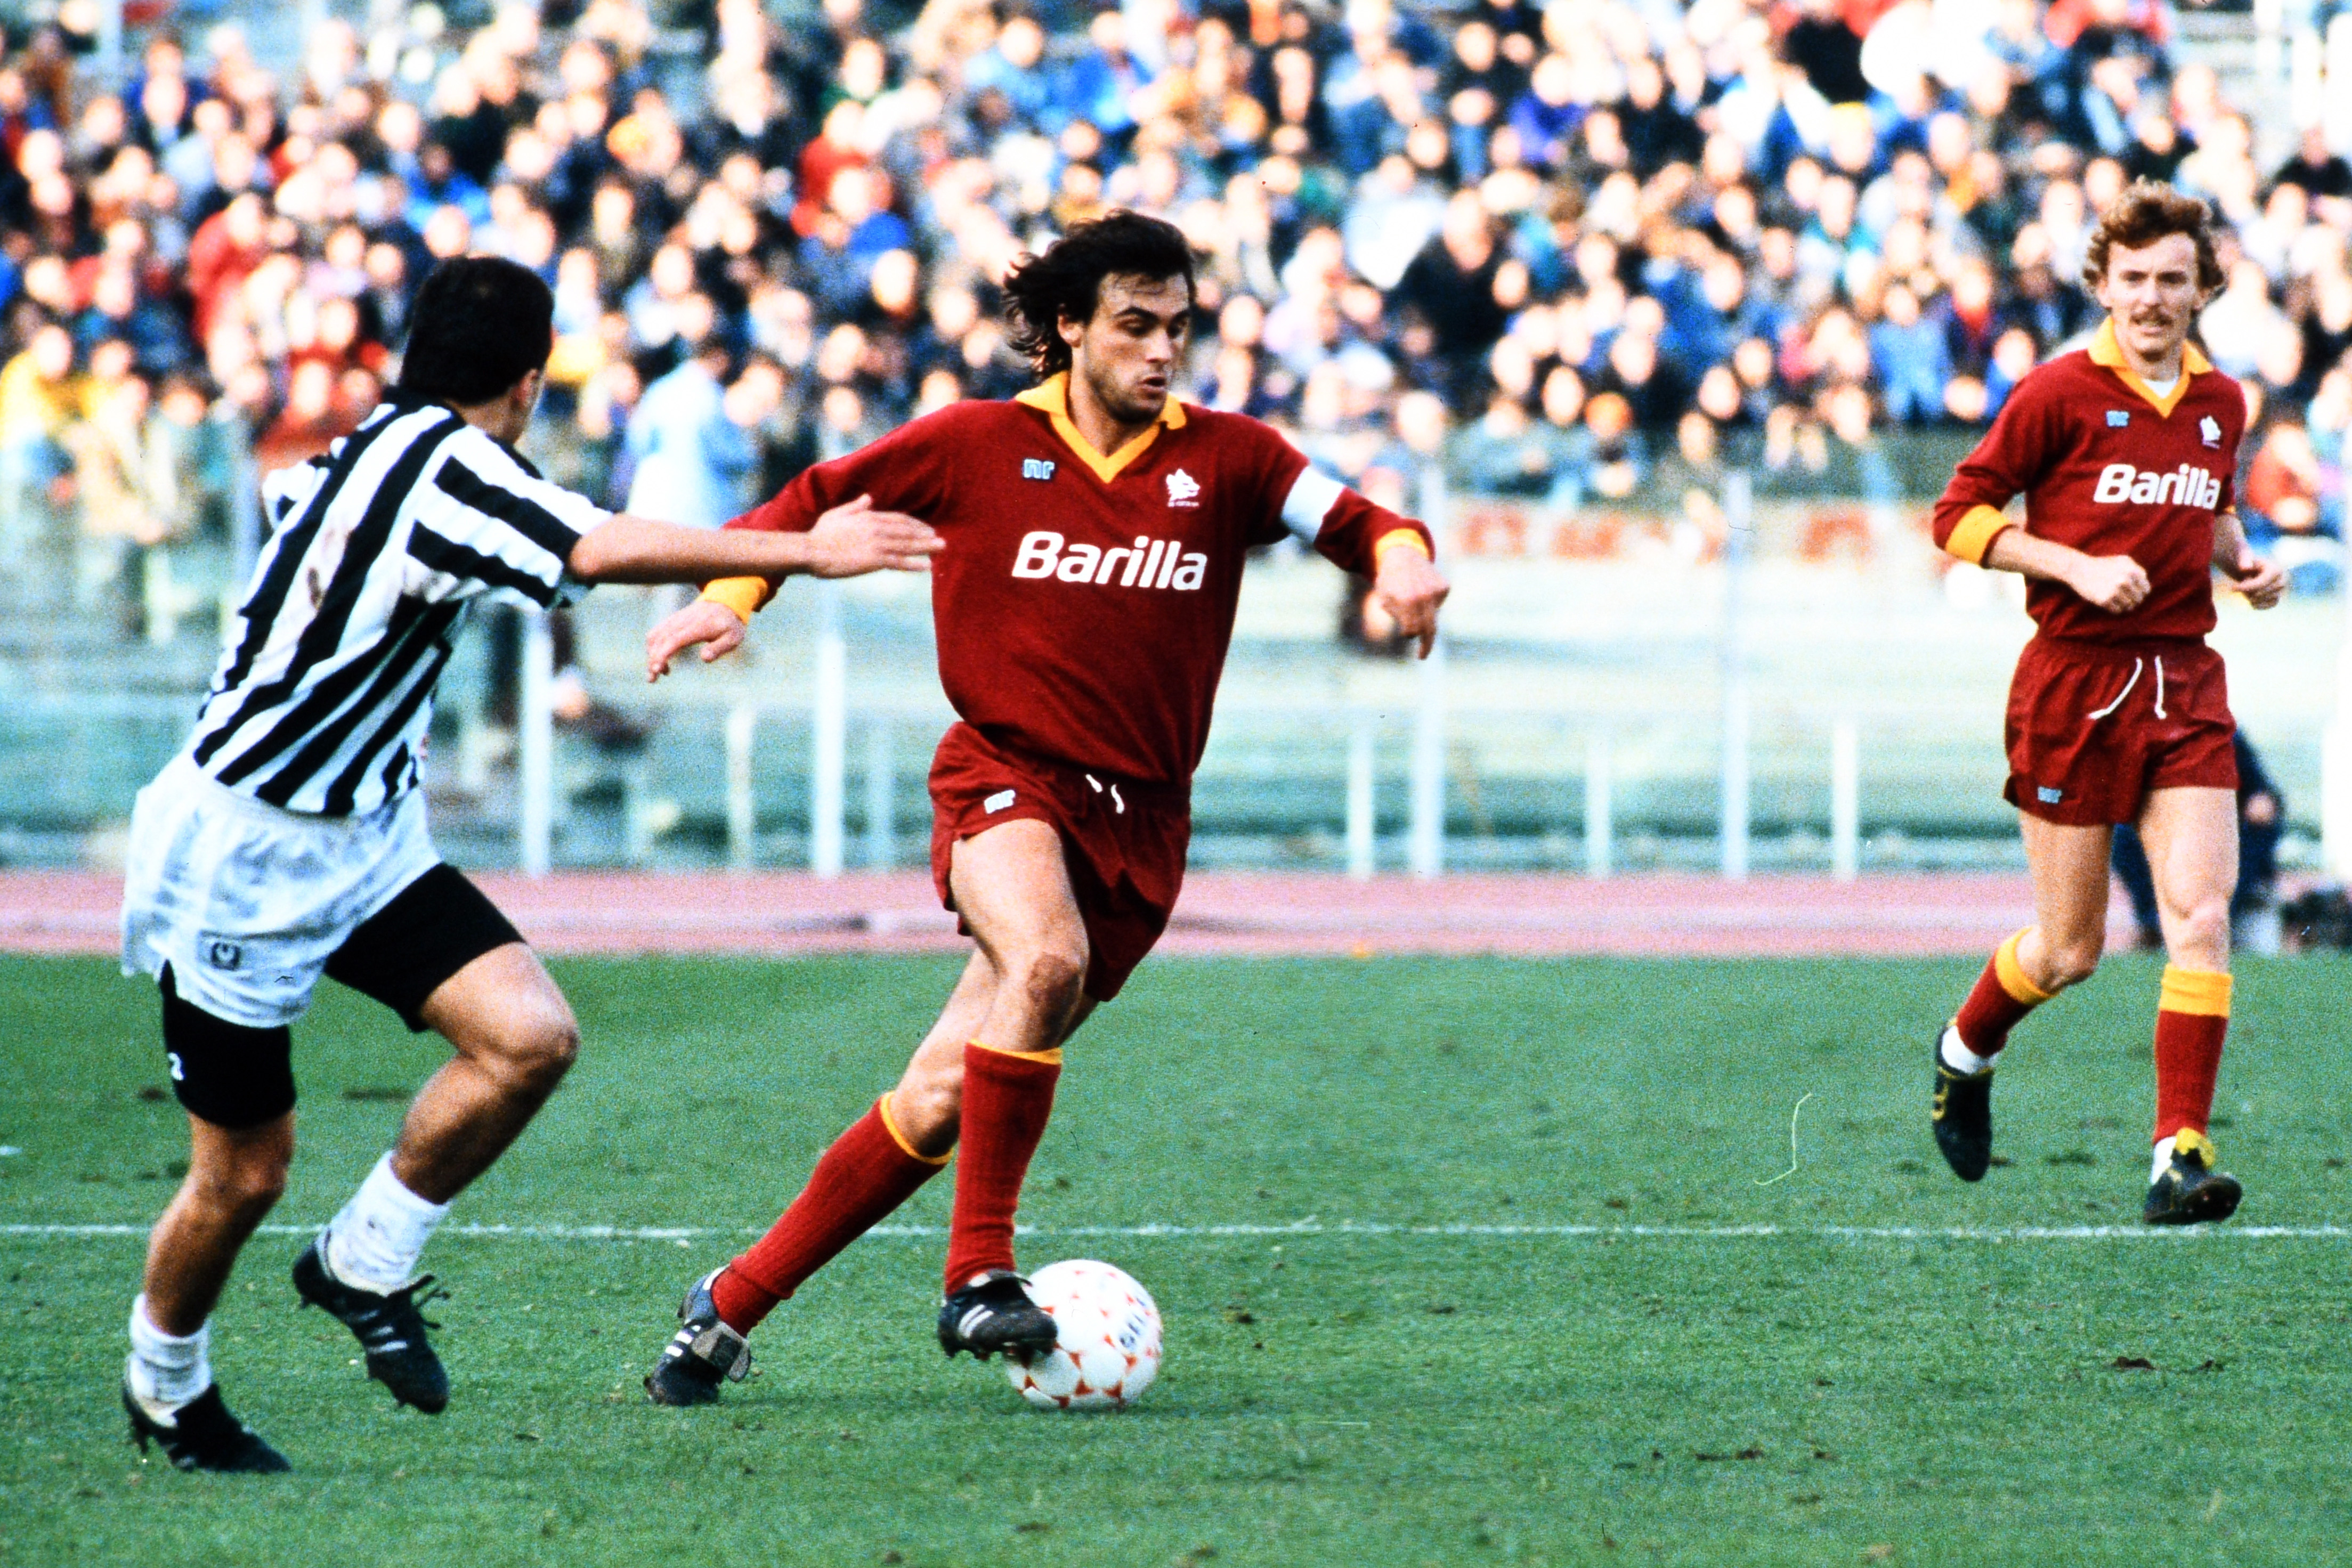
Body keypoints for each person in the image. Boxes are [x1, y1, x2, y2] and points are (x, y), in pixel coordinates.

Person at [115, 255, 940, 1474]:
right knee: (242, 1173)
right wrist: (809, 553)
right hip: (243, 850)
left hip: (364, 836)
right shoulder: (443, 469)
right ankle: (165, 1381)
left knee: (528, 1036)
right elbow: (597, 550)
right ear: (530, 378)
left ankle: (363, 1259)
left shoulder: (395, 451)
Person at [635, 210, 1449, 1403]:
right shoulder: (971, 444)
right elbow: (812, 497)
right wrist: (737, 593)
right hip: (1003, 775)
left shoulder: (1230, 458)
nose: (1161, 351)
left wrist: (1404, 558)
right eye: (1133, 326)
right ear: (1067, 327)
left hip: (1142, 824)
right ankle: (977, 1270)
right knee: (1045, 954)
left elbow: (1357, 519)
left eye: (1177, 328)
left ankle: (729, 1304)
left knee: (939, 1089)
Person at [1923, 181, 2286, 1225]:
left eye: (2172, 279)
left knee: (2201, 915)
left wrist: (2243, 566)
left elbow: (2207, 514)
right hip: (2071, 684)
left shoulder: (2220, 403)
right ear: (2100, 284)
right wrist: (2069, 567)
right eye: (2132, 279)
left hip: (2181, 677)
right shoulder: (2054, 392)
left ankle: (2177, 1150)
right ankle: (1964, 1047)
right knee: (2068, 949)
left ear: (2201, 287)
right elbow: (1955, 515)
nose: (2151, 298)